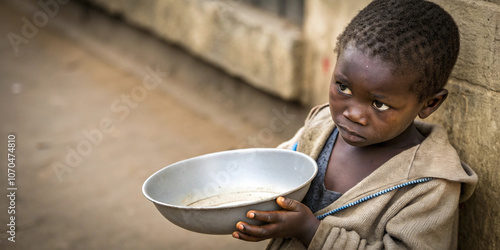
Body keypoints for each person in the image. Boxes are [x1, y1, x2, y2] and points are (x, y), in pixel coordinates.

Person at [232, 0, 478, 249]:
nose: (352, 114)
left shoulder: (430, 186)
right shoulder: (322, 125)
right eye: (343, 87)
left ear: (429, 104)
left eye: (379, 104)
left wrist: (310, 231)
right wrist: (259, 212)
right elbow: (276, 169)